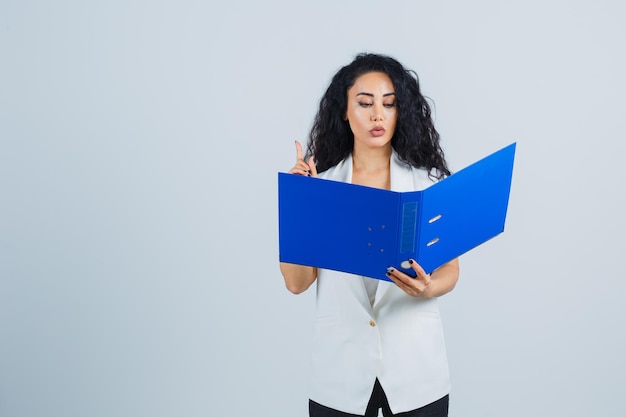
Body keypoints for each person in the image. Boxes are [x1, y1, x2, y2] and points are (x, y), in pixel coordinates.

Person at [280, 53, 459, 417]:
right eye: (365, 103)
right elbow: (297, 283)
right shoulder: (323, 187)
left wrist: (428, 289)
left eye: (389, 104)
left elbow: (450, 271)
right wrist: (301, 205)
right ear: (344, 111)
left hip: (416, 371)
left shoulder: (427, 185)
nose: (378, 115)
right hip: (340, 373)